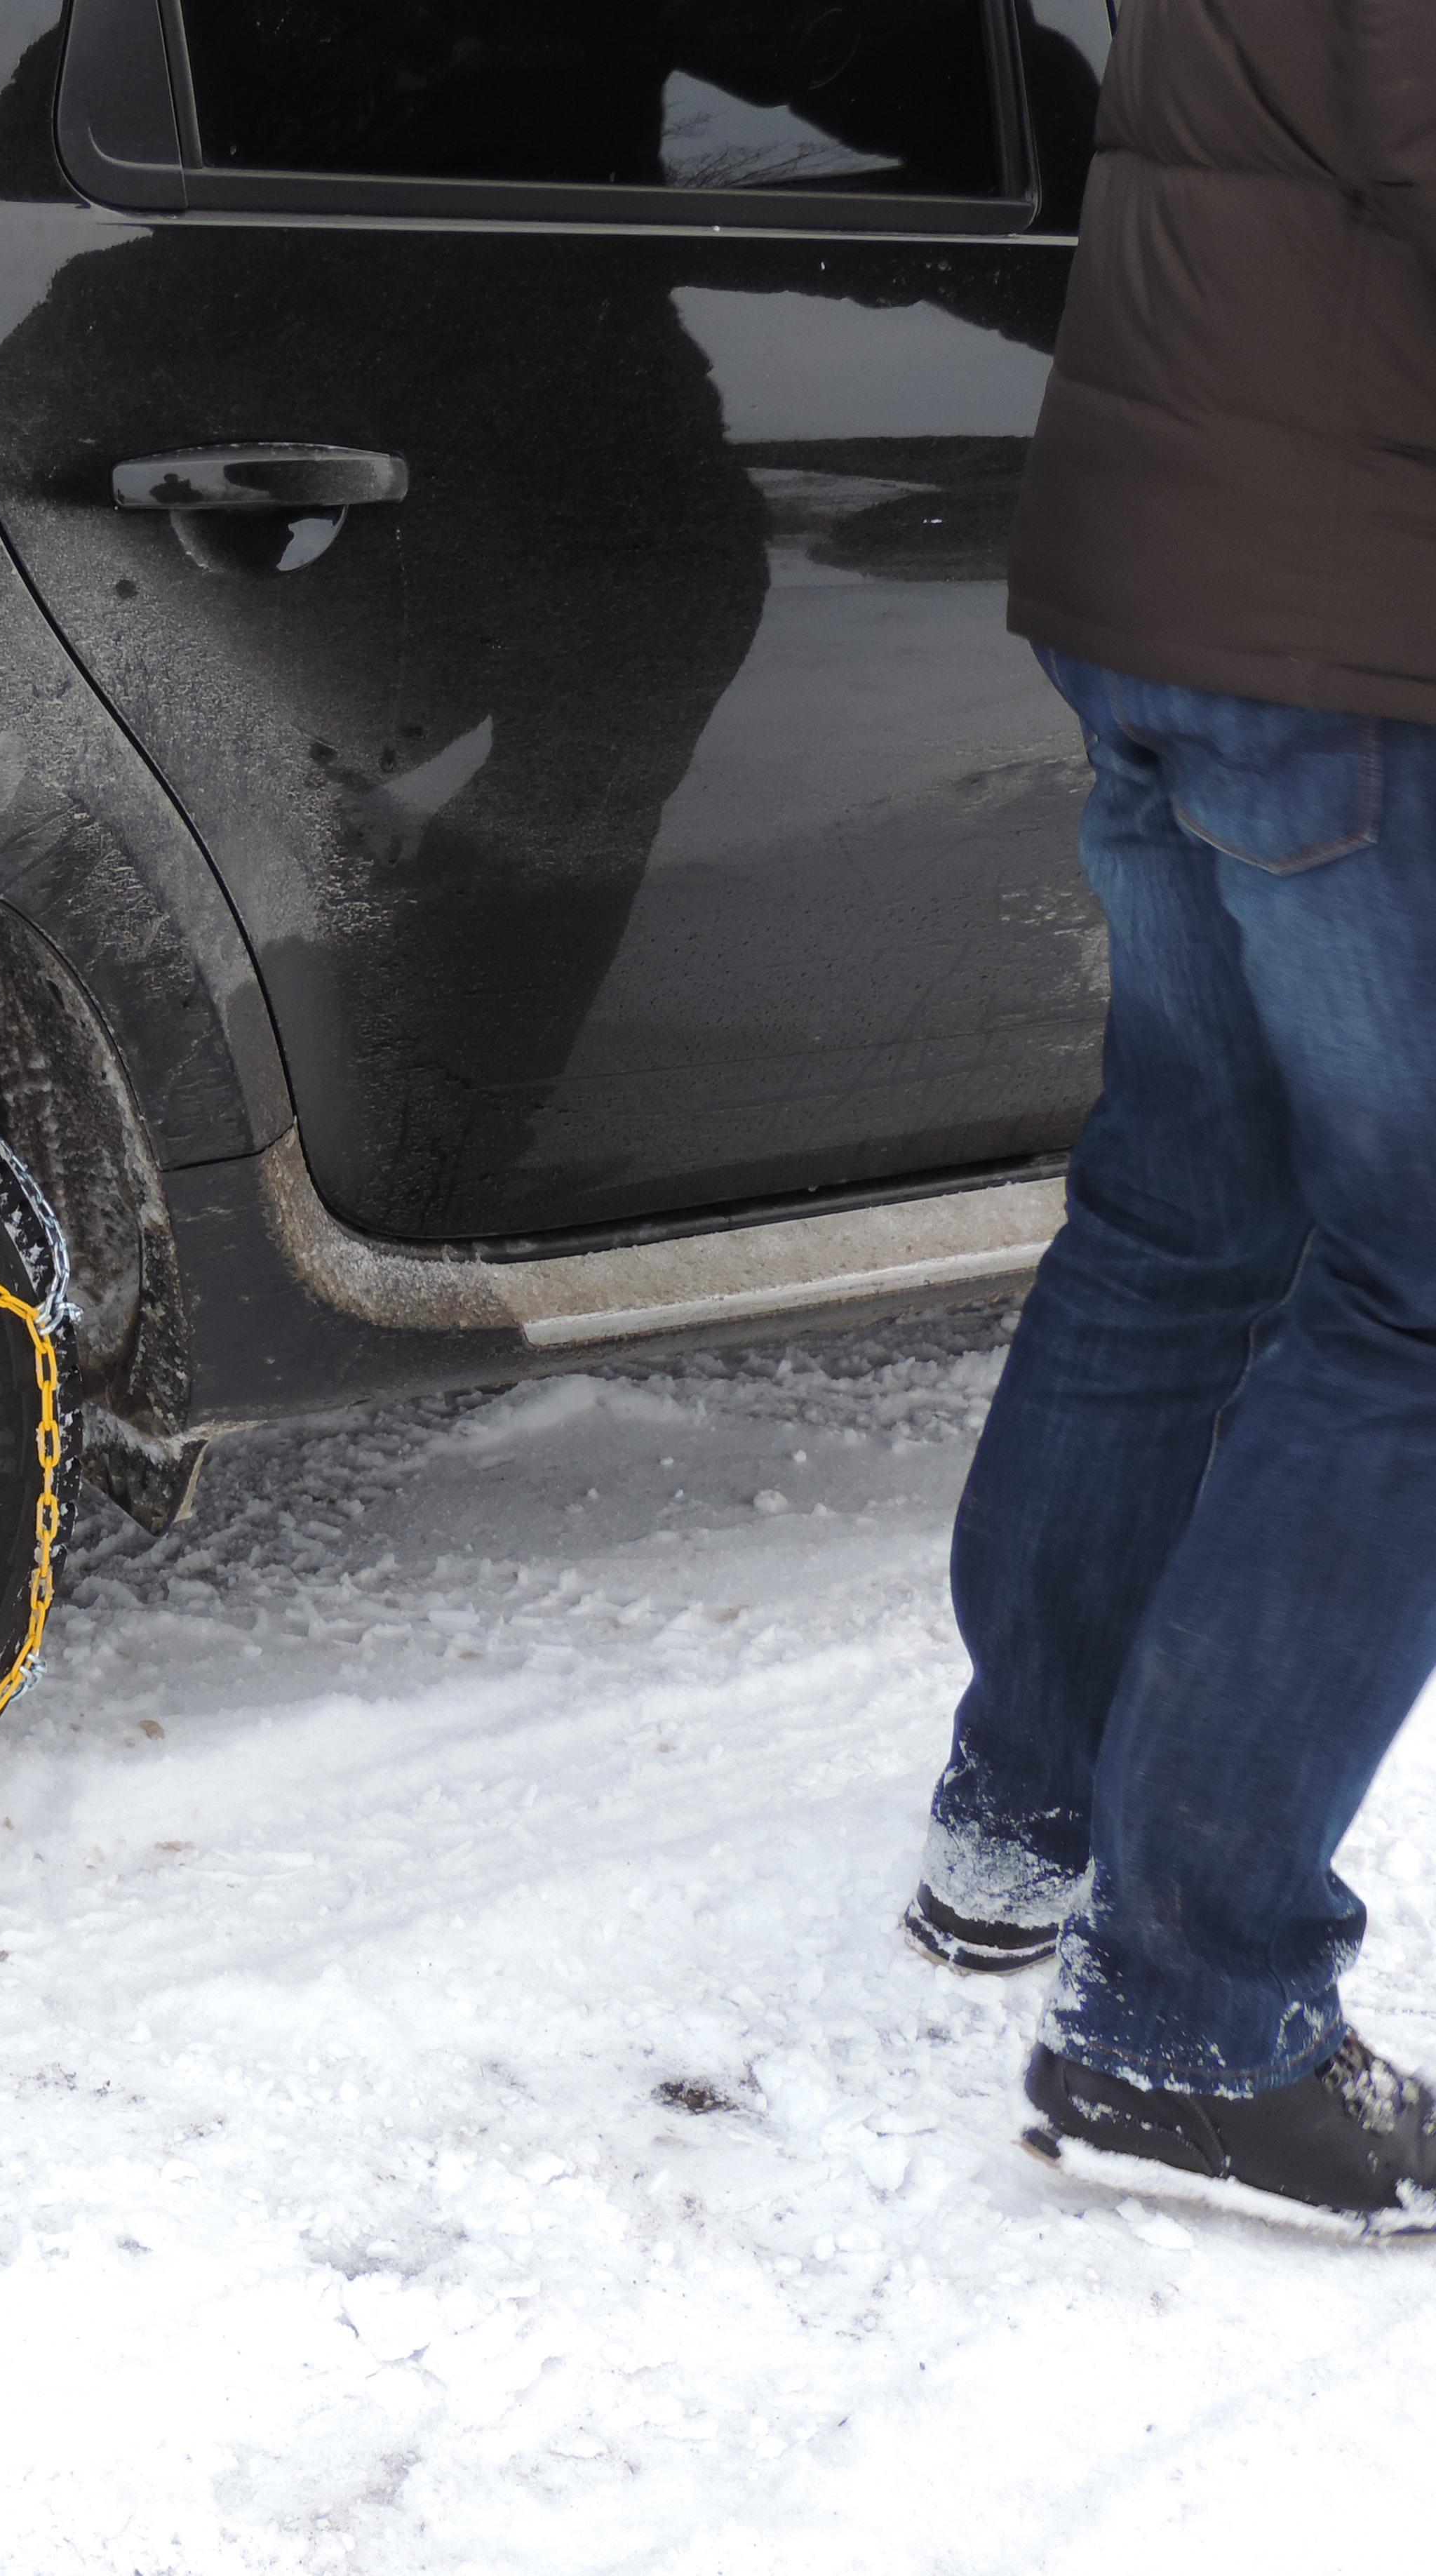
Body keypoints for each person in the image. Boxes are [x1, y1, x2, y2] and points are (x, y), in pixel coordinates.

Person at [904, 0, 1436, 2238]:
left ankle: (1023, 1812)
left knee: (1186, 1214)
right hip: (1358, 631)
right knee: (1415, 1313)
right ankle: (1194, 2017)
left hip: (1165, 578)